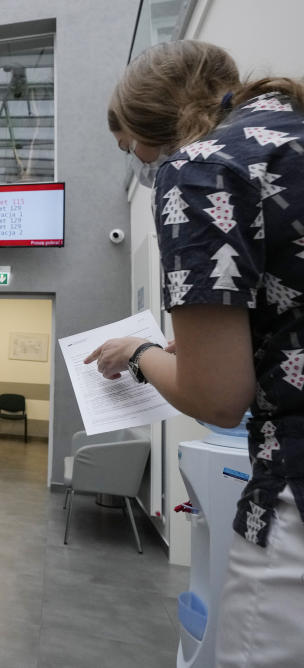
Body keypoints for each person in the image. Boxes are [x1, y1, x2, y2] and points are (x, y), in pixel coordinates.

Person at [88, 40, 304, 666]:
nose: (141, 165)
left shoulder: (199, 168)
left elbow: (217, 399)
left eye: (131, 151)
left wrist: (139, 354)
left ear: (155, 133)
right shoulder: (286, 138)